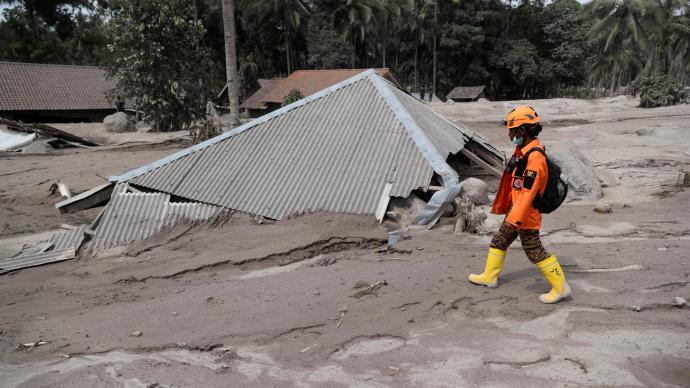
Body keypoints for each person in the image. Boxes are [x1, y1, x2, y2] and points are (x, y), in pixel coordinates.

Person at [468, 105, 571, 304]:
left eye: (511, 130)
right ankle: (489, 276)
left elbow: (527, 193)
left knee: (534, 249)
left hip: (525, 214)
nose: (509, 134)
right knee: (499, 241)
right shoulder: (523, 152)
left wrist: (514, 220)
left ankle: (561, 288)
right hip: (517, 211)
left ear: (522, 130)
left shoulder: (534, 158)